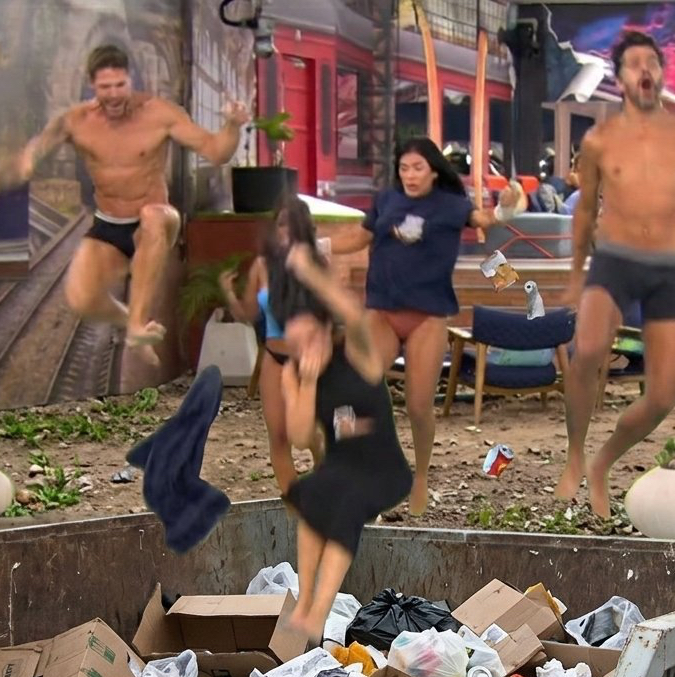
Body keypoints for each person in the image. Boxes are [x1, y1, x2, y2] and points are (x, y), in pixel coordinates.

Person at [0, 44, 249, 364]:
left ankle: (137, 326)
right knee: (81, 298)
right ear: (92, 85)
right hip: (110, 223)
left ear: (130, 80)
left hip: (156, 220)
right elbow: (27, 160)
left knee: (152, 216)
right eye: (105, 87)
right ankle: (130, 321)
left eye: (120, 85)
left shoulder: (160, 114)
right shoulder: (76, 122)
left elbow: (216, 151)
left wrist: (232, 126)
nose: (114, 95)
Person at [556, 30, 675, 518]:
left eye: (652, 61)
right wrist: (577, 273)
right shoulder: (600, 140)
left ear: (662, 73)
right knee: (587, 352)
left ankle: (603, 462)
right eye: (634, 63)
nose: (645, 70)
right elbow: (585, 212)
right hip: (614, 260)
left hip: (667, 268)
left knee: (664, 395)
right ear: (620, 78)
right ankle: (575, 452)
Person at [330, 137, 521, 517]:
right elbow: (358, 236)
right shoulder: (387, 200)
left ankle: (419, 477)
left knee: (419, 406)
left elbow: (485, 220)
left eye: (417, 168)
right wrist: (314, 245)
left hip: (427, 315)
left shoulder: (451, 205)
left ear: (433, 171)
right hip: (381, 309)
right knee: (354, 387)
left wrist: (506, 206)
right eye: (404, 168)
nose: (410, 175)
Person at [277, 227, 413, 644]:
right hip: (340, 466)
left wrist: (311, 271)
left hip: (384, 469)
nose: (306, 348)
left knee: (346, 504)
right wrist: (307, 382)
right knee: (311, 493)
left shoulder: (356, 354)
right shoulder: (294, 373)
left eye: (312, 338)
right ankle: (304, 600)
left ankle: (319, 611)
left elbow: (353, 313)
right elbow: (301, 436)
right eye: (297, 342)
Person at [218, 196, 322, 497]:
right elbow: (248, 314)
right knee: (278, 437)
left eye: (294, 224)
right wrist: (228, 294)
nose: (286, 230)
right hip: (274, 357)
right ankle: (297, 507)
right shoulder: (262, 265)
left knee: (305, 434)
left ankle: (322, 464)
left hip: (307, 359)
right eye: (281, 224)